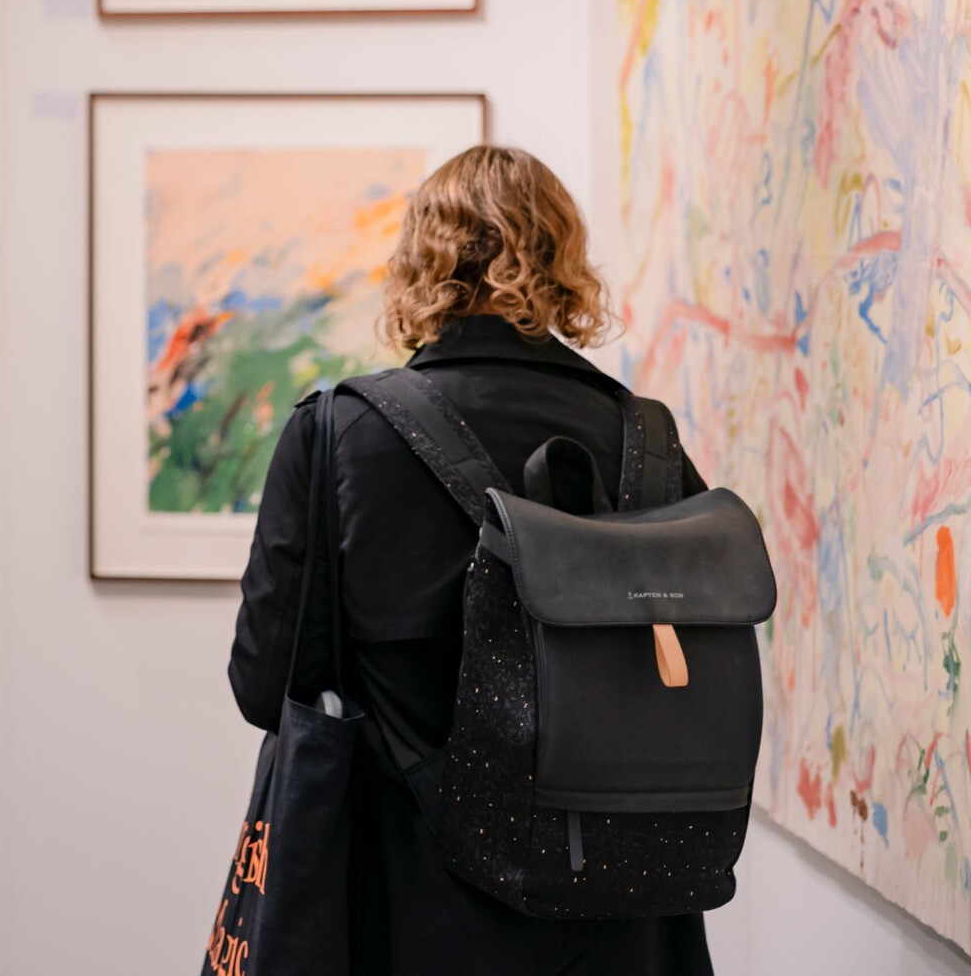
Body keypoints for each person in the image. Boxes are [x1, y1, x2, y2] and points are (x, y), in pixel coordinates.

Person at [228, 144, 713, 975]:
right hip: (617, 911)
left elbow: (263, 684)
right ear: (563, 260)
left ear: (423, 263)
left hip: (404, 902)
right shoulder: (647, 441)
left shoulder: (338, 432)